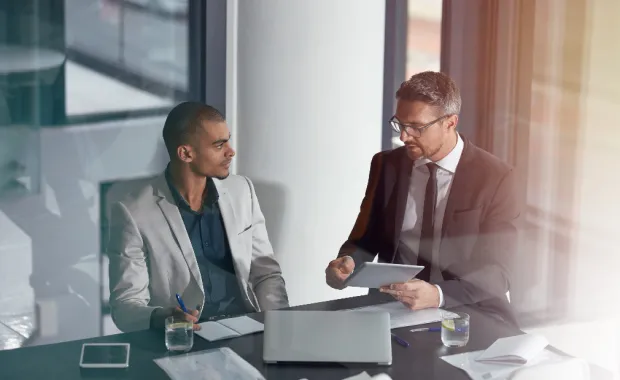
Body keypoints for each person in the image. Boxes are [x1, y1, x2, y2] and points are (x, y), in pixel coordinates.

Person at [325, 71, 519, 325]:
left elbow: (498, 273)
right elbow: (365, 239)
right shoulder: (386, 165)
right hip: (393, 307)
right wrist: (349, 262)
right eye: (400, 124)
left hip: (465, 310)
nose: (404, 136)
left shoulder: (496, 177)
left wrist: (438, 295)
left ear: (450, 122)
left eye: (416, 127)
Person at [108, 102, 289, 332]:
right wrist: (162, 318)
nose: (231, 151)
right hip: (187, 339)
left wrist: (280, 328)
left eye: (228, 140)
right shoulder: (133, 212)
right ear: (185, 153)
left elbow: (266, 274)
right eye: (219, 145)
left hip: (247, 330)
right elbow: (125, 306)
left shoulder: (242, 190)